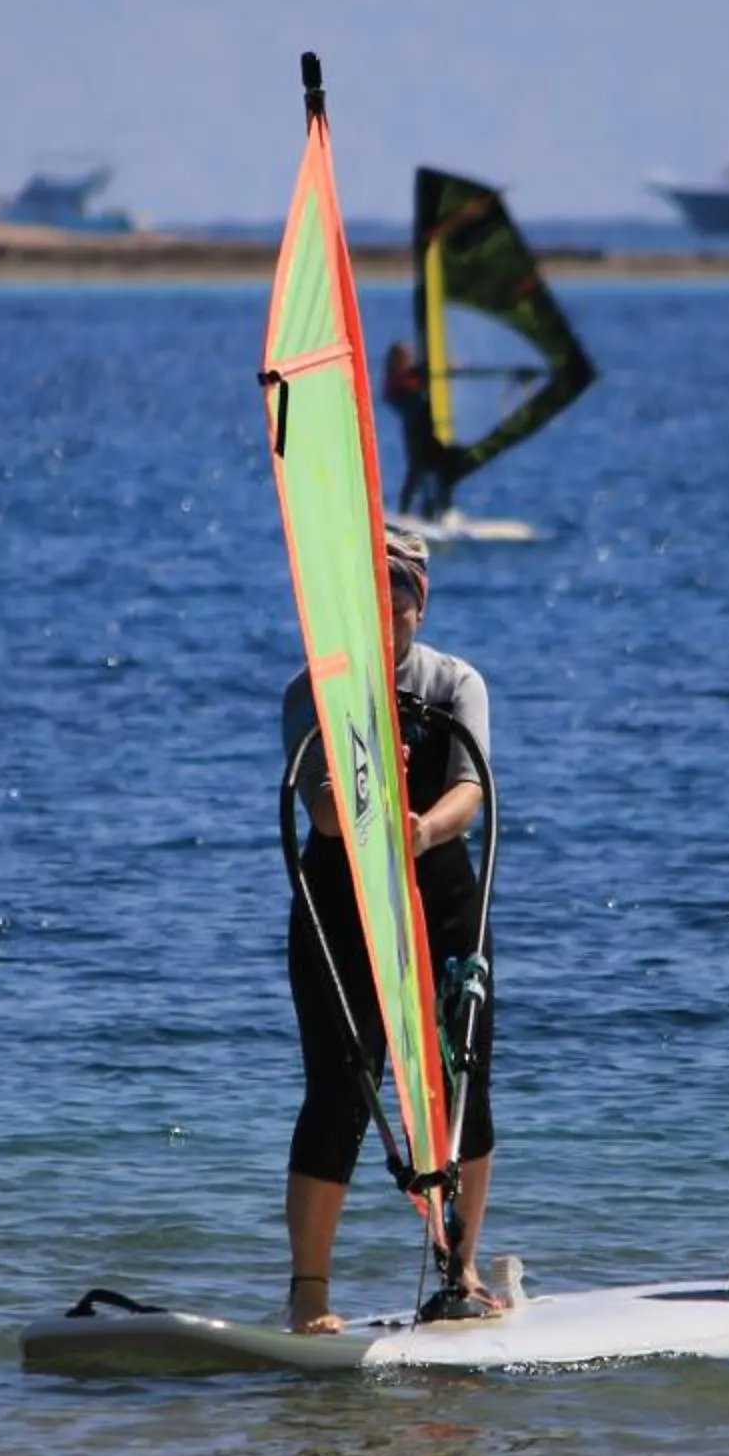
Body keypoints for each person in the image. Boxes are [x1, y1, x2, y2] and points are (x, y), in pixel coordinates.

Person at [281, 520, 501, 1333]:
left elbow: (471, 791)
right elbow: (323, 813)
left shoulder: (455, 684)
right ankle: (310, 1294)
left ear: (421, 602)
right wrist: (368, 804)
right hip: (339, 902)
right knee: (340, 1091)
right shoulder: (313, 689)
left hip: (441, 895)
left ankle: (462, 1268)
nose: (386, 610)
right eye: (370, 595)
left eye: (399, 596)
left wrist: (421, 831)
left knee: (462, 1082)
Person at [380, 339, 459, 518]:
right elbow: (405, 390)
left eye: (407, 357)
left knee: (437, 468)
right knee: (417, 470)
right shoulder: (397, 382)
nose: (407, 360)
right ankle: (407, 510)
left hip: (428, 431)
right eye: (402, 357)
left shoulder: (409, 376)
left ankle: (437, 509)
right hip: (415, 431)